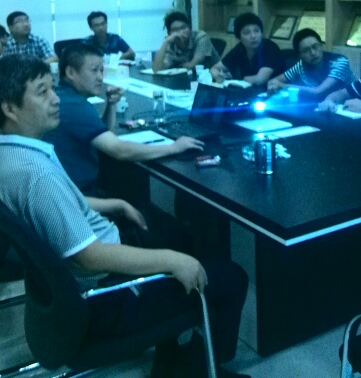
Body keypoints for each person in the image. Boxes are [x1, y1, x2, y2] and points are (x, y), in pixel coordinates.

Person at [0, 55, 250, 378]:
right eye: (42, 92)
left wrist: (114, 203)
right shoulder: (37, 175)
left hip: (67, 290)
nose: (56, 99)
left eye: (52, 88)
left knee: (175, 239)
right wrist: (174, 261)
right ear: (9, 108)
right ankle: (202, 366)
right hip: (106, 296)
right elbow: (90, 258)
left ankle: (174, 352)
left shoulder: (12, 156)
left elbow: (58, 205)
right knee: (231, 278)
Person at [45, 43, 203, 197]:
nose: (100, 77)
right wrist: (173, 147)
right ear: (71, 72)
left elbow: (101, 134)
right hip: (78, 196)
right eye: (94, 70)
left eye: (101, 70)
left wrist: (111, 105)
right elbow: (119, 150)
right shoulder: (76, 106)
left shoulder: (64, 96)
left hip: (68, 189)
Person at [267, 28, 354, 98]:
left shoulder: (339, 62)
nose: (313, 53)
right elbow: (273, 81)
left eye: (315, 47)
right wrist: (273, 84)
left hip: (348, 107)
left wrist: (283, 86)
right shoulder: (301, 65)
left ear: (321, 45)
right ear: (299, 56)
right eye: (306, 51)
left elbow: (318, 91)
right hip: (320, 106)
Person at [211, 13, 285, 87]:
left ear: (261, 33)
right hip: (250, 91)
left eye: (256, 31)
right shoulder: (240, 48)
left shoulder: (270, 47)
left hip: (273, 91)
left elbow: (260, 80)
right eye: (247, 33)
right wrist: (218, 76)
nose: (253, 36)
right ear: (239, 37)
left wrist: (244, 79)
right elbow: (214, 68)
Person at [152, 12, 220, 72]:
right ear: (169, 33)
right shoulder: (170, 44)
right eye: (175, 30)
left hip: (212, 77)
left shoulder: (201, 37)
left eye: (183, 28)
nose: (181, 32)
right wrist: (166, 42)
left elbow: (192, 66)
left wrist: (175, 66)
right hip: (185, 78)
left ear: (189, 28)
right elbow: (157, 69)